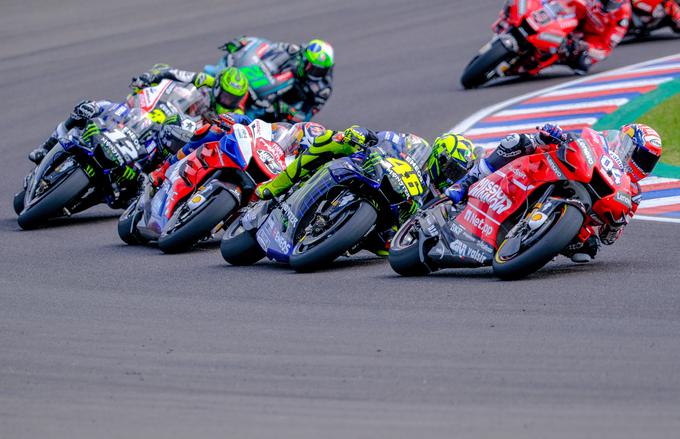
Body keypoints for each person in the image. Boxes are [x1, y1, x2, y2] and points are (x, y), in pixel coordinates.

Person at [444, 123, 663, 263]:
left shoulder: (632, 194)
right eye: (640, 156)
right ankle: (466, 182)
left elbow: (609, 238)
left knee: (587, 251)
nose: (641, 164)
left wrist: (615, 226)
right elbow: (576, 139)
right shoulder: (602, 142)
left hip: (579, 212)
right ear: (625, 144)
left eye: (648, 162)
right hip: (550, 170)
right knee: (517, 142)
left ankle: (535, 242)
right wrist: (556, 134)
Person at [28, 100, 194, 169]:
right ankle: (46, 147)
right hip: (109, 146)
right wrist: (95, 108)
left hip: (121, 183)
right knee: (82, 114)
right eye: (174, 140)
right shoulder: (148, 128)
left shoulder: (171, 163)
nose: (174, 146)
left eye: (179, 145)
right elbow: (116, 110)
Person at [218, 36, 335, 122]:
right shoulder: (295, 51)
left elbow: (305, 117)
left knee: (256, 116)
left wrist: (289, 111)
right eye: (311, 67)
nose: (313, 72)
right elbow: (265, 46)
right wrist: (243, 43)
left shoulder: (322, 90)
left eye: (319, 70)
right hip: (265, 84)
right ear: (304, 59)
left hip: (277, 110)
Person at [130, 66, 250, 116]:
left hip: (198, 135)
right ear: (218, 87)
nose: (228, 102)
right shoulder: (207, 80)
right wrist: (152, 78)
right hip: (184, 110)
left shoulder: (236, 113)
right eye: (226, 96)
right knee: (160, 67)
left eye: (233, 99)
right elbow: (176, 73)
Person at [560, 0, 632, 75]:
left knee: (582, 63)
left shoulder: (621, 19)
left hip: (593, 36)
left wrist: (587, 47)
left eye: (610, 4)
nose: (606, 7)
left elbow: (604, 51)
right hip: (580, 20)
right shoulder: (593, 4)